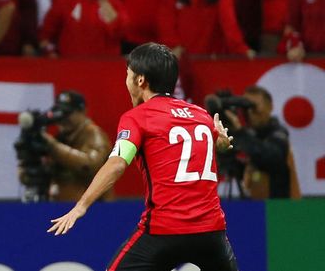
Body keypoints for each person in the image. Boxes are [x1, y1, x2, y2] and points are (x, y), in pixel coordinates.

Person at [48, 42, 238, 271]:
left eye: (127, 75)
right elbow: (207, 147)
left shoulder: (137, 118)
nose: (126, 82)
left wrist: (81, 206)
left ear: (140, 80)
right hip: (212, 234)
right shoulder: (201, 116)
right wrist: (221, 144)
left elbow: (118, 163)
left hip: (164, 232)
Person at [224, 86, 300, 199]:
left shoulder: (278, 133)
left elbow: (270, 158)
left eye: (254, 107)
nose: (250, 112)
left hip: (281, 209)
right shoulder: (252, 135)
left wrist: (240, 132)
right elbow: (252, 171)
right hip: (257, 207)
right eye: (246, 107)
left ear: (270, 107)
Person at [41, 90, 111, 201]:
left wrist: (54, 147)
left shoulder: (93, 134)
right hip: (63, 209)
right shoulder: (61, 138)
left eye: (67, 113)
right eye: (60, 113)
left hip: (93, 210)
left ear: (82, 112)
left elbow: (91, 165)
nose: (63, 119)